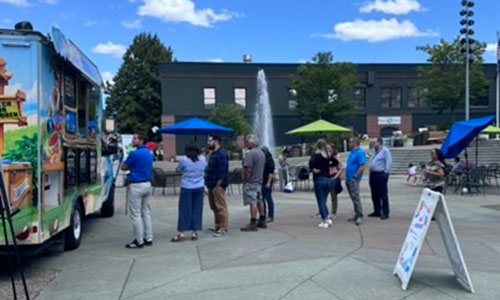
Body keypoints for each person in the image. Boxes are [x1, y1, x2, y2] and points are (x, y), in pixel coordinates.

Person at [121, 132, 154, 249]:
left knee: (135, 214)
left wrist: (132, 166)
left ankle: (139, 240)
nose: (133, 141)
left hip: (136, 184)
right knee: (145, 212)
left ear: (141, 141)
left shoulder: (134, 154)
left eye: (135, 139)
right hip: (147, 183)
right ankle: (148, 237)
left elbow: (123, 167)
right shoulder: (149, 153)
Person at [171, 142, 207, 242]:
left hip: (187, 186)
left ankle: (182, 232)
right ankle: (195, 232)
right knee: (197, 209)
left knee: (184, 209)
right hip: (199, 186)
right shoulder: (203, 159)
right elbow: (205, 168)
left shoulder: (184, 160)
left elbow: (178, 170)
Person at [241, 134, 266, 232]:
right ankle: (262, 219)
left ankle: (253, 222)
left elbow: (248, 169)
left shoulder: (250, 154)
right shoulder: (261, 153)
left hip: (252, 181)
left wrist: (246, 180)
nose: (246, 144)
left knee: (253, 201)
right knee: (260, 200)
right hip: (259, 180)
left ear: (252, 143)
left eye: (247, 142)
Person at [205, 135, 229, 237]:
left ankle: (223, 227)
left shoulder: (222, 154)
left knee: (221, 206)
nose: (208, 143)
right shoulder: (213, 153)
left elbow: (223, 170)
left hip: (217, 184)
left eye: (210, 141)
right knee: (214, 206)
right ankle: (218, 225)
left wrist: (219, 184)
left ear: (216, 141)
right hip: (211, 183)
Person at [309, 139, 332, 229]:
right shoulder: (328, 156)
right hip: (328, 179)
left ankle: (324, 220)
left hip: (319, 179)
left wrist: (313, 170)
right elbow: (335, 162)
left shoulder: (316, 155)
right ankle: (327, 217)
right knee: (323, 200)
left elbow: (310, 165)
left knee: (320, 201)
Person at [368, 137, 393, 220]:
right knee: (374, 194)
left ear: (379, 142)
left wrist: (385, 174)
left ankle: (385, 211)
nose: (373, 144)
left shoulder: (385, 151)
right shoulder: (374, 152)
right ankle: (377, 210)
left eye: (374, 142)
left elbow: (388, 162)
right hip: (373, 174)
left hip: (380, 174)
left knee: (383, 194)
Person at [345, 137, 366, 226]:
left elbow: (362, 166)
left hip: (354, 179)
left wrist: (355, 177)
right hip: (349, 178)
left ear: (355, 143)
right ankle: (356, 213)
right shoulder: (352, 153)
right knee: (353, 197)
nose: (349, 144)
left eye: (350, 142)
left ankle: (359, 215)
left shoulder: (359, 153)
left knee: (356, 197)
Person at [327, 143, 344, 221]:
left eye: (329, 148)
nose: (328, 149)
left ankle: (334, 212)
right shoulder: (326, 156)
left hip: (333, 175)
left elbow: (341, 167)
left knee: (333, 195)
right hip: (326, 176)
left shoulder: (337, 156)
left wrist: (336, 176)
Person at [261, 146, 276, 222]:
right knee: (262, 199)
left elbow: (271, 172)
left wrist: (268, 182)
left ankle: (271, 215)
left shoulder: (269, 160)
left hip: (266, 181)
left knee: (268, 198)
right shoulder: (263, 159)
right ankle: (263, 214)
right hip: (262, 181)